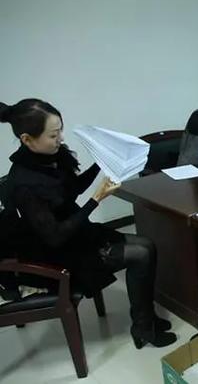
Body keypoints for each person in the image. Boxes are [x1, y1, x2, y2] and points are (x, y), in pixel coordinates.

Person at [0, 99, 177, 348]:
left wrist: (103, 162)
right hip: (55, 252)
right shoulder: (24, 183)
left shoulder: (49, 156)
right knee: (141, 253)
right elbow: (54, 236)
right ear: (27, 139)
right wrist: (96, 199)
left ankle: (145, 319)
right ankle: (143, 327)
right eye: (53, 135)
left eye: (60, 130)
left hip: (74, 232)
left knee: (147, 245)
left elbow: (71, 190)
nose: (61, 138)